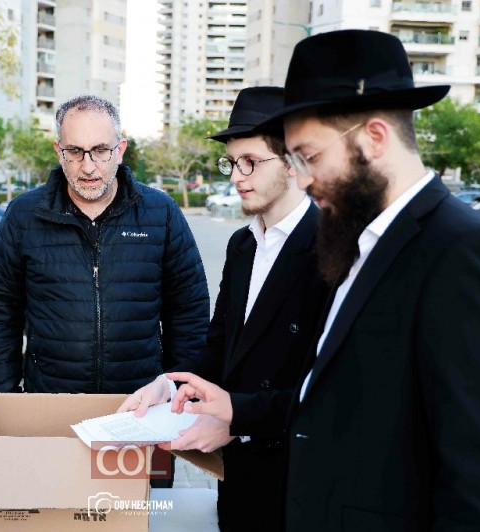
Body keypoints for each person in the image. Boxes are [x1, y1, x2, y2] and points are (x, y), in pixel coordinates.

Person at [169, 30, 480, 531]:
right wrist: (231, 409)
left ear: (375, 137)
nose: (302, 178)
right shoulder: (358, 242)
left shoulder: (465, 253)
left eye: (310, 157)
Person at [118, 86, 330, 531]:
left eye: (250, 161)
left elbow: (329, 391)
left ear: (292, 161)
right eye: (231, 162)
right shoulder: (242, 245)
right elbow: (219, 346)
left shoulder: (333, 249)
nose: (236, 176)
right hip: (238, 480)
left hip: (302, 482)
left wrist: (236, 421)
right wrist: (168, 385)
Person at [0, 94, 209, 395]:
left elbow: (189, 315)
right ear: (59, 151)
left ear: (120, 150)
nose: (88, 167)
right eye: (75, 151)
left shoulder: (161, 212)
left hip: (141, 403)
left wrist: (177, 390)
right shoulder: (23, 215)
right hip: (51, 402)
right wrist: (5, 398)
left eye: (100, 151)